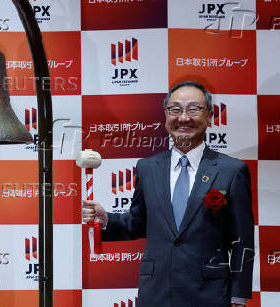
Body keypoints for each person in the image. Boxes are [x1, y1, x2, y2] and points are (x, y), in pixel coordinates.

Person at [83, 81, 254, 307]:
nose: (183, 118)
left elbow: (243, 241)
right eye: (175, 109)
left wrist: (238, 296)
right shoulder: (147, 168)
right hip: (156, 293)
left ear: (210, 116)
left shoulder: (231, 171)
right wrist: (106, 220)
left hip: (210, 295)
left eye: (193, 109)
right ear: (166, 116)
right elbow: (138, 222)